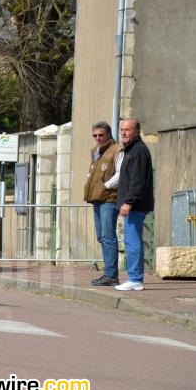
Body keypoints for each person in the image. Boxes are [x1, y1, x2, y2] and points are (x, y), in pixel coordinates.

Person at [115, 118, 154, 291]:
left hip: (135, 205)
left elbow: (137, 181)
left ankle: (135, 278)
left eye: (128, 130)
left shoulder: (137, 151)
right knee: (132, 240)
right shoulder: (131, 150)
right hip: (134, 204)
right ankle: (135, 279)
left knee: (132, 241)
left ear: (137, 131)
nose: (124, 132)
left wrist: (128, 202)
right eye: (122, 129)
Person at [83, 121, 123, 286]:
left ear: (108, 134)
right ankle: (109, 273)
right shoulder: (96, 152)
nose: (98, 138)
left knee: (108, 237)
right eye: (95, 135)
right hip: (97, 198)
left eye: (101, 135)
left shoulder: (117, 150)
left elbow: (121, 174)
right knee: (102, 237)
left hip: (109, 199)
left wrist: (105, 186)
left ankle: (111, 275)